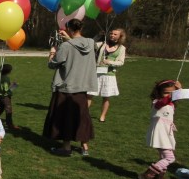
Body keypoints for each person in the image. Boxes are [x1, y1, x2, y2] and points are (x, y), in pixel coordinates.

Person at [43, 19, 97, 157]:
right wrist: (68, 39)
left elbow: (53, 64)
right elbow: (79, 45)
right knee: (82, 117)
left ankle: (66, 148)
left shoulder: (66, 46)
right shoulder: (91, 43)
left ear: (69, 29)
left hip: (66, 87)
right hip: (82, 86)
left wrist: (52, 53)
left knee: (66, 118)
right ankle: (84, 147)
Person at [139, 79, 182, 179]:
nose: (169, 95)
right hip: (160, 132)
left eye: (171, 93)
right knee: (170, 158)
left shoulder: (171, 103)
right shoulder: (157, 102)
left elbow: (173, 99)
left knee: (163, 156)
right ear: (159, 92)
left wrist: (179, 90)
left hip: (166, 132)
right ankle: (148, 175)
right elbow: (163, 102)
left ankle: (159, 177)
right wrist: (176, 92)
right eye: (166, 92)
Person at [88, 28, 127, 122]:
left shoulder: (122, 48)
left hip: (109, 75)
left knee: (106, 97)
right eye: (111, 33)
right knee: (89, 94)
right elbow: (90, 44)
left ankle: (102, 116)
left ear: (120, 37)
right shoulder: (102, 44)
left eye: (115, 34)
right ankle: (83, 113)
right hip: (96, 73)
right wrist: (98, 36)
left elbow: (121, 62)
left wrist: (109, 62)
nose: (112, 35)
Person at [0, 63, 19, 130]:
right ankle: (9, 125)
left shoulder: (0, 77)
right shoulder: (6, 78)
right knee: (8, 111)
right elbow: (6, 90)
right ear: (9, 71)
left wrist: (11, 85)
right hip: (5, 97)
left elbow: (2, 86)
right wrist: (13, 86)